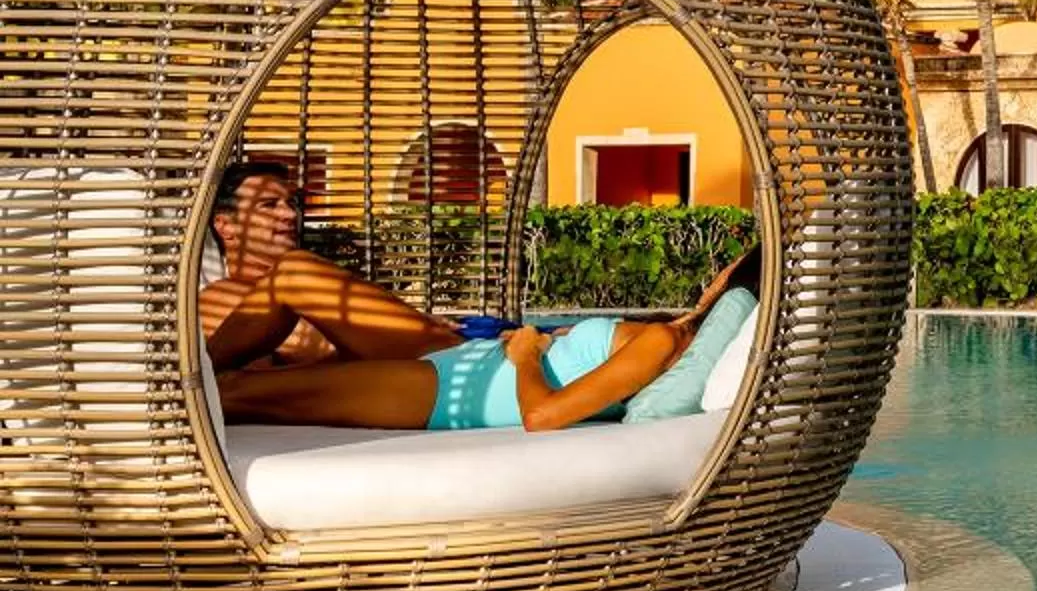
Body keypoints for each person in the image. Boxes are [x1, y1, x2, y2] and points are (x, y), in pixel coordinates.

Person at [218, 246, 760, 434]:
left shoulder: (663, 342)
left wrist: (525, 354)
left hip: (440, 391)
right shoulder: (660, 335)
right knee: (290, 274)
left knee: (236, 393)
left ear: (730, 283)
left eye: (728, 267)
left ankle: (153, 404)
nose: (716, 272)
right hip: (461, 363)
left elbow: (542, 417)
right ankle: (176, 378)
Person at [199, 159, 465, 374]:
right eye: (268, 205)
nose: (291, 215)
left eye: (291, 203)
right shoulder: (222, 299)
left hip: (441, 363)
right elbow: (260, 381)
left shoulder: (318, 286)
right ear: (226, 226)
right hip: (423, 376)